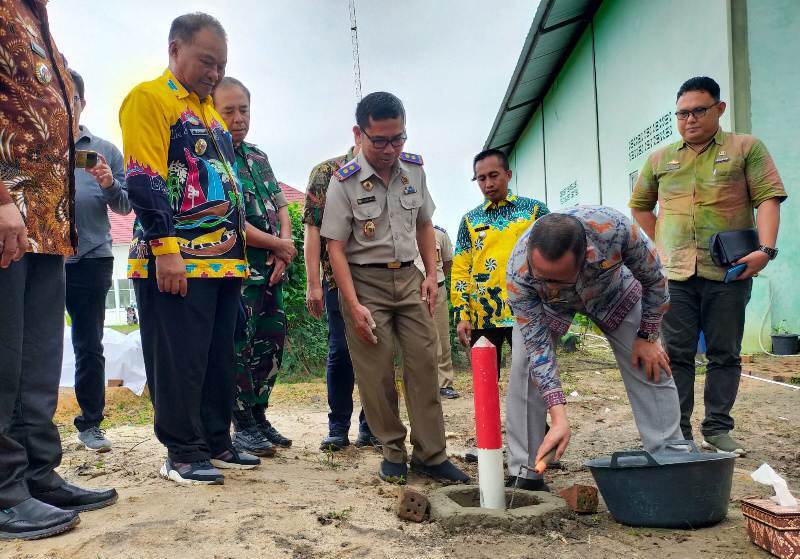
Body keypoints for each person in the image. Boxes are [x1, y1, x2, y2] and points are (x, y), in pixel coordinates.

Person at [119, 13, 259, 486]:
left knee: (217, 355)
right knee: (179, 357)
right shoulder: (150, 98)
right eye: (206, 61)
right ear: (175, 48)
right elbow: (143, 178)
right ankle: (181, 452)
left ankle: (217, 441)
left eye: (220, 65)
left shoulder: (209, 112)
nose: (214, 73)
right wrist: (166, 248)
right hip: (175, 256)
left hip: (222, 261)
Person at [0, 0, 117, 540]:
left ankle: (36, 476)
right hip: (9, 213)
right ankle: (3, 493)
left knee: (37, 360)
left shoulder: (35, 20)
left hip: (47, 225)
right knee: (3, 358)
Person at [630, 76, 786, 456]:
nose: (690, 120)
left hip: (730, 272)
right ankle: (678, 430)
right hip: (676, 276)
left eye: (699, 110)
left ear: (719, 109)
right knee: (677, 354)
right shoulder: (660, 158)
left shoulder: (745, 148)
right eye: (682, 113)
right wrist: (662, 245)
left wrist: (766, 249)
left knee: (724, 353)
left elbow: (768, 197)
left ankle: (717, 428)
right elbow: (639, 205)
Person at [321, 91, 468, 483]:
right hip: (364, 281)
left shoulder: (414, 170)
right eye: (380, 140)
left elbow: (424, 224)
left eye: (398, 138)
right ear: (359, 134)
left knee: (424, 364)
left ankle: (432, 454)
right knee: (376, 372)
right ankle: (392, 450)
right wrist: (352, 304)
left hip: (410, 278)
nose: (390, 149)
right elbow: (334, 246)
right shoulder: (343, 182)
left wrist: (432, 275)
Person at [506, 206, 684, 468]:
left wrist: (647, 335)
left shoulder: (617, 230)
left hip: (613, 292)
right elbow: (538, 349)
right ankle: (526, 469)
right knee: (524, 369)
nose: (549, 285)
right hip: (547, 307)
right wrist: (558, 416)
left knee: (650, 362)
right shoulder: (518, 273)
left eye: (557, 279)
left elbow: (655, 279)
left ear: (587, 257)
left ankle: (671, 458)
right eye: (542, 277)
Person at [451, 148, 549, 489]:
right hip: (484, 314)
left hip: (526, 311)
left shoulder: (534, 211)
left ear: (508, 174)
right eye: (481, 178)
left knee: (529, 382)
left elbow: (550, 254)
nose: (488, 183)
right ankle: (491, 451)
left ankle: (532, 457)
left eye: (494, 176)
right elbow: (461, 267)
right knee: (485, 384)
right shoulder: (469, 220)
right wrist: (461, 313)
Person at [213, 77, 296, 456]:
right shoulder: (213, 159)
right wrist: (278, 244)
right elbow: (232, 220)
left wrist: (284, 249)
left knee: (271, 343)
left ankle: (260, 415)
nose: (238, 118)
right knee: (239, 347)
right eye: (228, 110)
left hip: (272, 270)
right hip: (239, 272)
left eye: (243, 109)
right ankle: (242, 423)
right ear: (213, 112)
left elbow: (280, 207)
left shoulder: (258, 157)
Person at [66, 69, 132, 453]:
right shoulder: (35, 148)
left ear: (81, 103)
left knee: (88, 343)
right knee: (32, 345)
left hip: (92, 258)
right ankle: (27, 430)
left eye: (71, 98)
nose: (64, 104)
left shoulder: (105, 150)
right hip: (43, 255)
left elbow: (125, 206)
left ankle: (91, 424)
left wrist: (108, 183)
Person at [304, 145, 379, 451]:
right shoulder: (326, 173)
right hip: (337, 278)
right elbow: (312, 231)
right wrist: (313, 284)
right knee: (341, 352)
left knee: (378, 355)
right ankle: (338, 428)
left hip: (380, 281)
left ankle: (372, 427)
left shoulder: (392, 169)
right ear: (358, 133)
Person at [415, 226, 457, 398]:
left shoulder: (439, 234)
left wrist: (434, 281)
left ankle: (444, 383)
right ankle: (420, 384)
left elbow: (447, 262)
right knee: (414, 339)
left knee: (442, 337)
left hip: (436, 290)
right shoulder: (401, 232)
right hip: (410, 292)